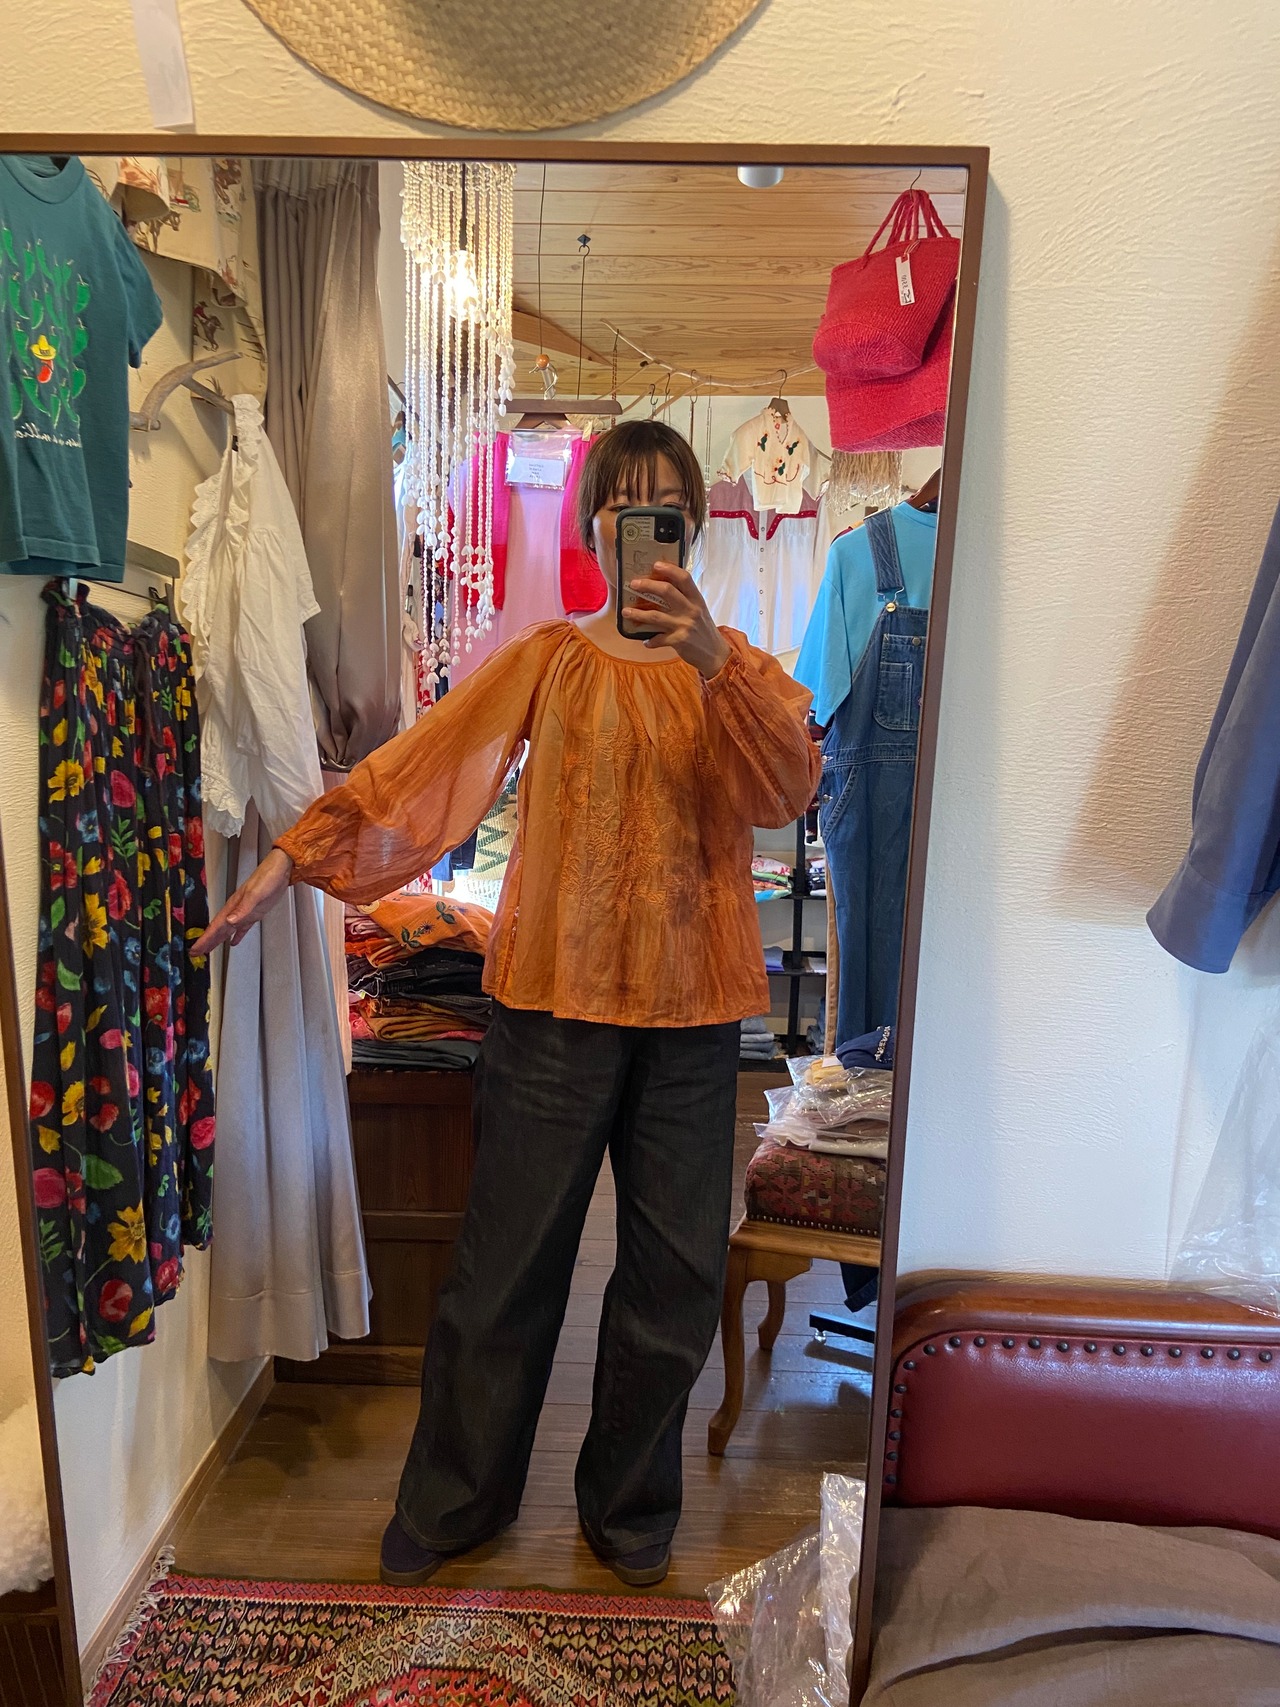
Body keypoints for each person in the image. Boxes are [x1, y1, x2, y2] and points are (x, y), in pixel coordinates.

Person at [195, 420, 820, 1588]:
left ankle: (628, 1508)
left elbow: (785, 786)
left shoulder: (737, 670)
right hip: (549, 1007)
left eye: (664, 507)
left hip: (692, 1022)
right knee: (503, 1269)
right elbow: (426, 761)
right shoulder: (547, 658)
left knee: (675, 1277)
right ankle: (453, 1502)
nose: (641, 526)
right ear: (593, 525)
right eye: (621, 504)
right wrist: (292, 856)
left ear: (691, 529)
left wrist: (711, 663)